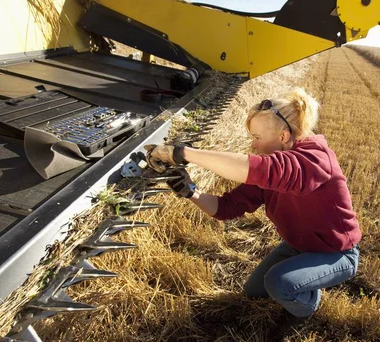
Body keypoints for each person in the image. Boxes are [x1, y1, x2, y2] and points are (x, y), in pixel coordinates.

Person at [145, 87, 361, 318]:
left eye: (257, 138)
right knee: (254, 292)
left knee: (279, 283)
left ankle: (308, 305)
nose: (253, 145)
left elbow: (259, 169)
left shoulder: (314, 160)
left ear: (283, 136)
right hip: (298, 246)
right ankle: (302, 277)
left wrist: (182, 153)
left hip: (336, 252)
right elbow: (227, 208)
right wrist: (190, 191)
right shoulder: (272, 169)